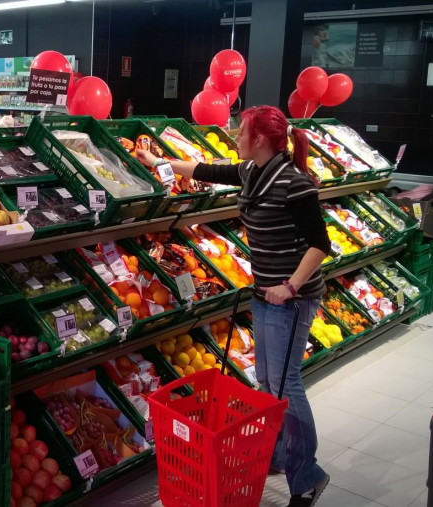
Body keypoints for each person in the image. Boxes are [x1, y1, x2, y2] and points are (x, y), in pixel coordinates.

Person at [137, 106, 331, 507]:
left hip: (290, 299)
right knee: (266, 379)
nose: (234, 137)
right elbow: (204, 170)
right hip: (264, 293)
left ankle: (308, 476)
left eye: (240, 131)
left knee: (285, 385)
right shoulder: (252, 172)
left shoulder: (296, 184)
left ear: (259, 139)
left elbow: (320, 244)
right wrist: (158, 161)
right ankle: (280, 452)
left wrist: (291, 287)